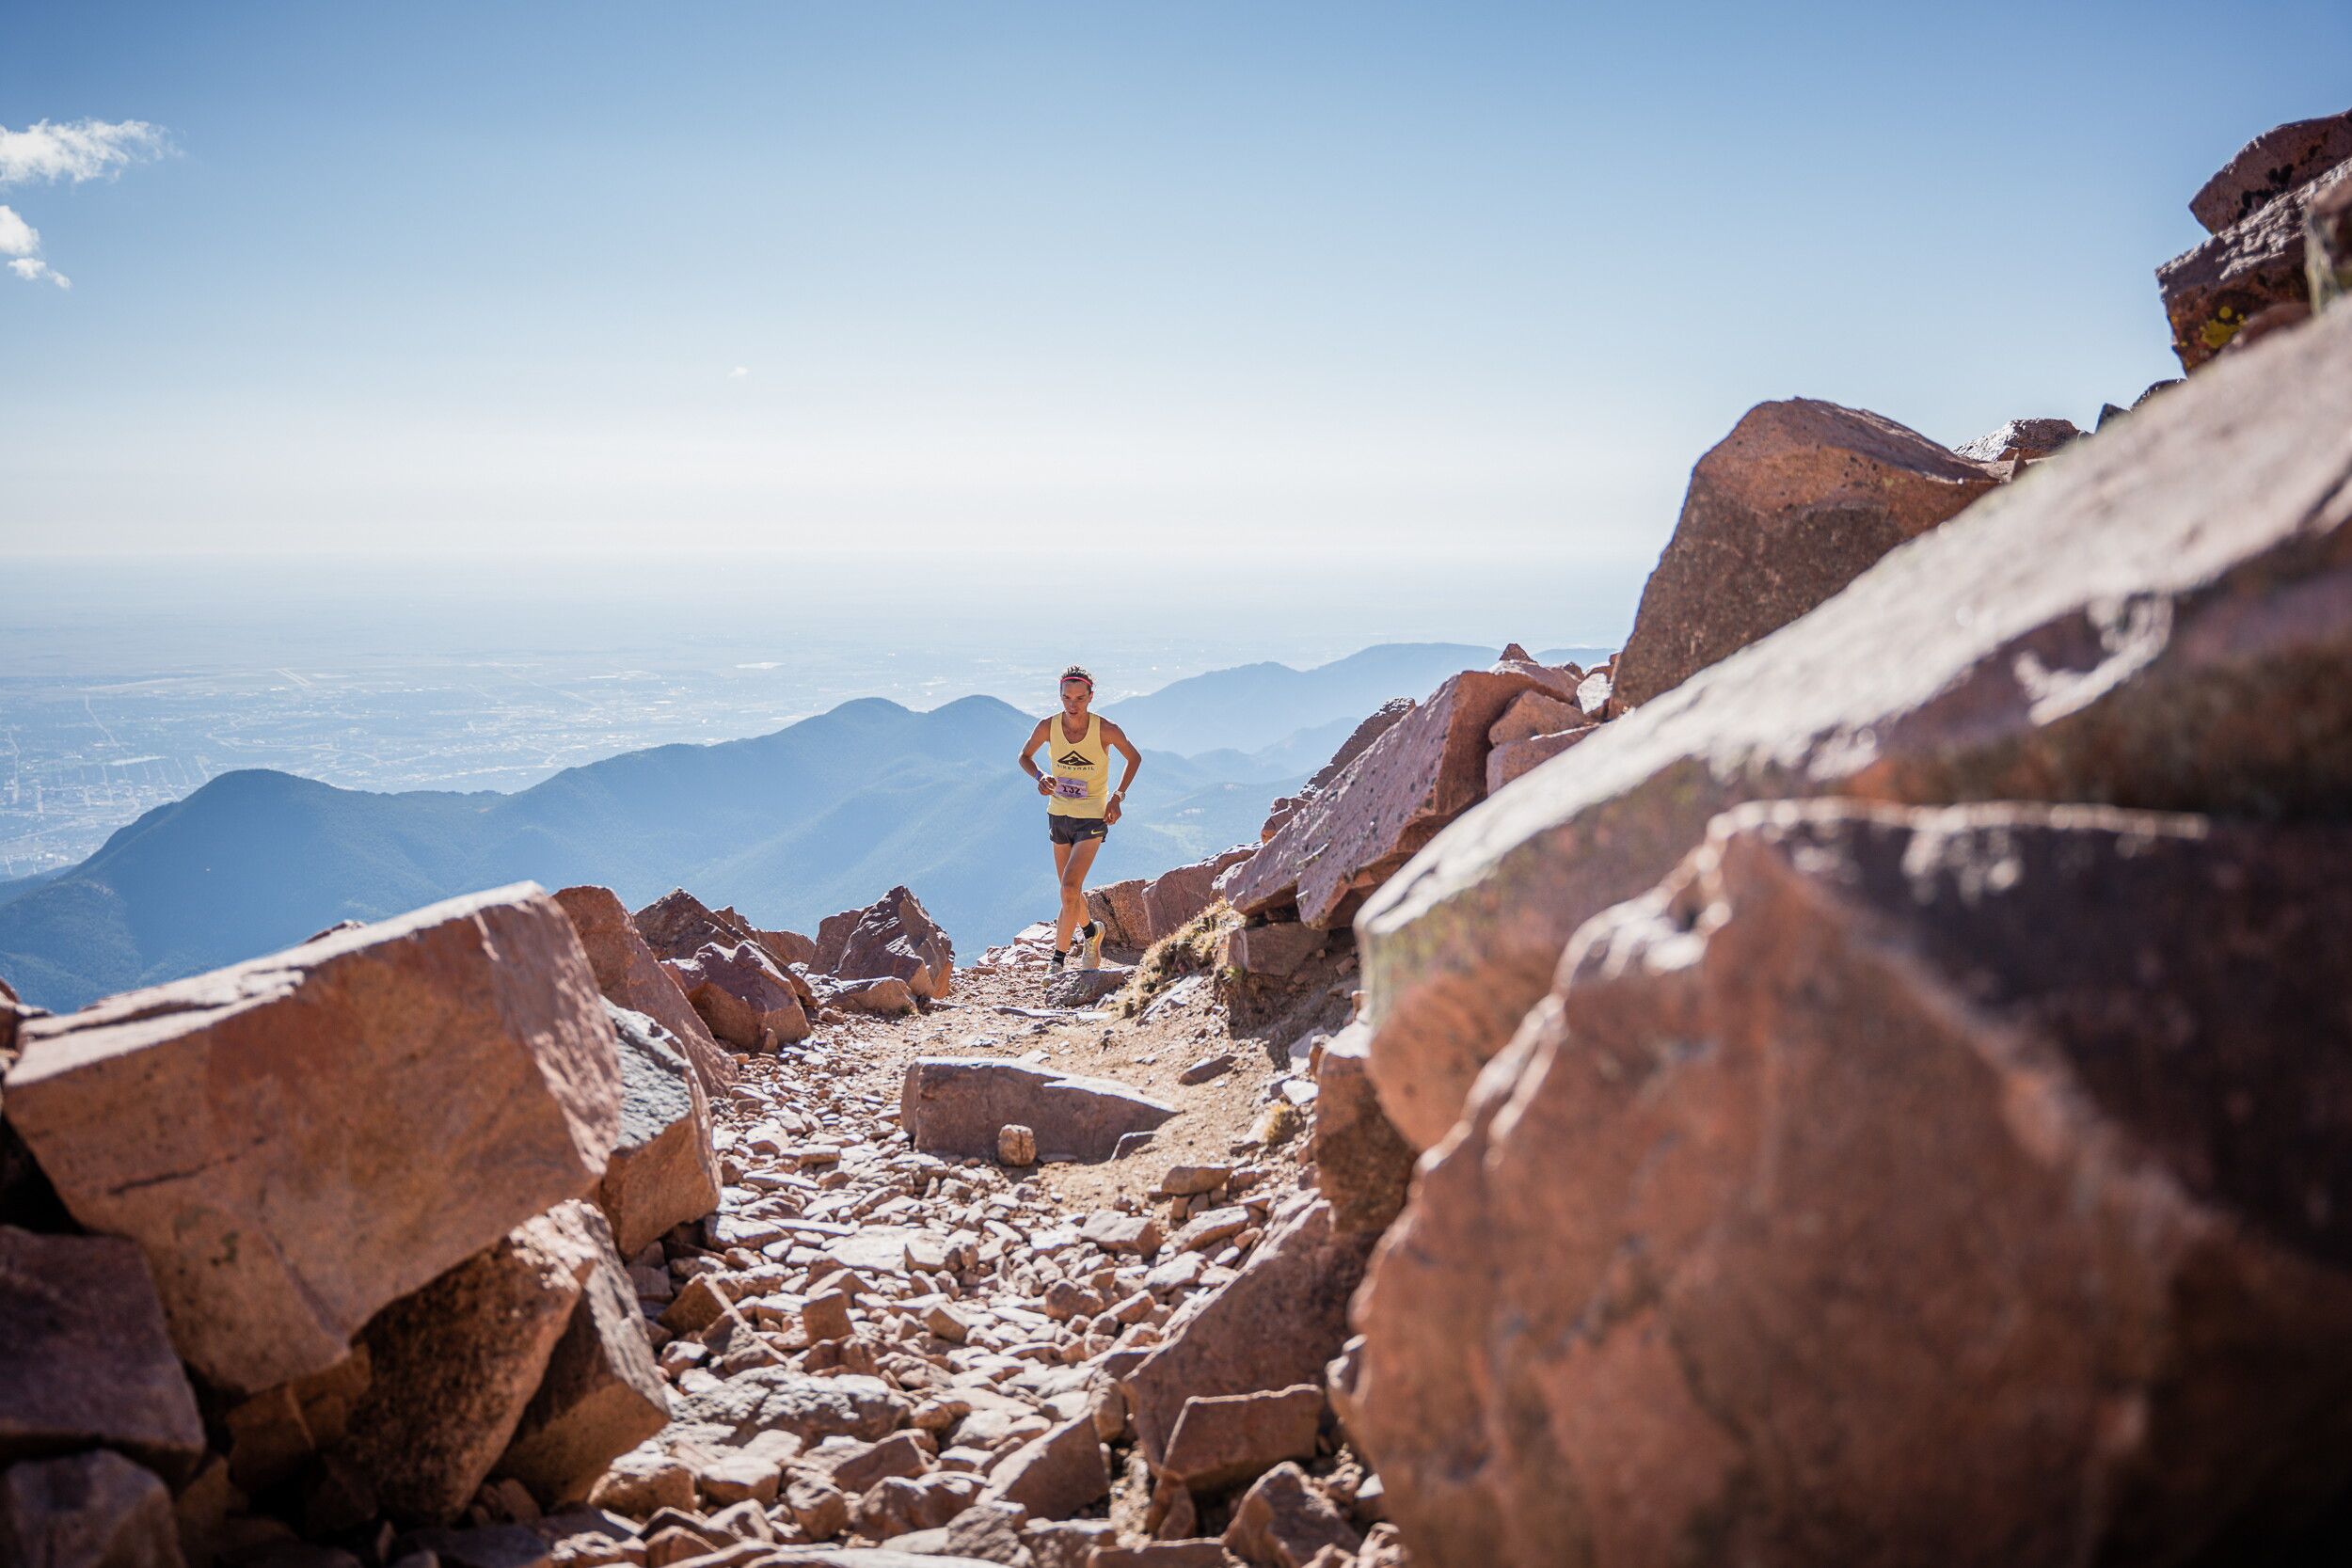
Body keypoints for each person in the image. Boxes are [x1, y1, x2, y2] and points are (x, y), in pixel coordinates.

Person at [1017, 664, 1141, 974]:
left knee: (1070, 887)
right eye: (1066, 698)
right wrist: (1040, 776)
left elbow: (1134, 757)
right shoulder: (1048, 727)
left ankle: (1057, 962)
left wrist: (1117, 797)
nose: (1072, 705)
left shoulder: (1105, 729)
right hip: (1058, 814)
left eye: (1079, 698)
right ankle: (1091, 932)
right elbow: (1024, 756)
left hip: (1092, 818)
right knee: (1069, 891)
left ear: (1090, 697)